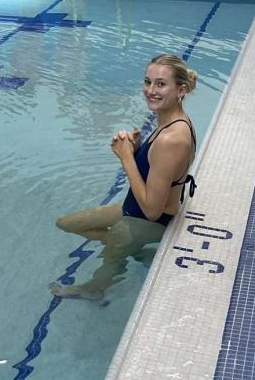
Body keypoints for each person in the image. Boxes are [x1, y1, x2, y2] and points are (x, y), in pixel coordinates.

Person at [51, 54, 198, 301]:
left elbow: (152, 210)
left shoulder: (172, 138)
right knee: (66, 223)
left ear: (180, 90)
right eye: (148, 82)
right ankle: (132, 250)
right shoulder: (171, 121)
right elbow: (160, 168)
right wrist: (139, 151)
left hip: (145, 221)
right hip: (132, 210)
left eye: (161, 84)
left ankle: (95, 289)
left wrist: (127, 158)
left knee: (112, 254)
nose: (151, 90)